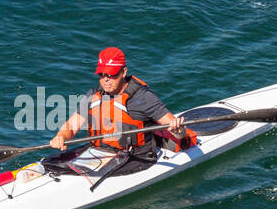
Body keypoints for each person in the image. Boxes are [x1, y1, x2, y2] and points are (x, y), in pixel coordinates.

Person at [49, 47, 190, 176]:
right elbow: (72, 126)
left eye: (111, 74)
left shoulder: (143, 98)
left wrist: (178, 131)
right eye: (102, 74)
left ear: (123, 72)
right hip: (101, 152)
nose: (106, 80)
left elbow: (177, 132)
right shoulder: (94, 94)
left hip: (136, 157)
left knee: (73, 172)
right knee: (50, 163)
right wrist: (61, 136)